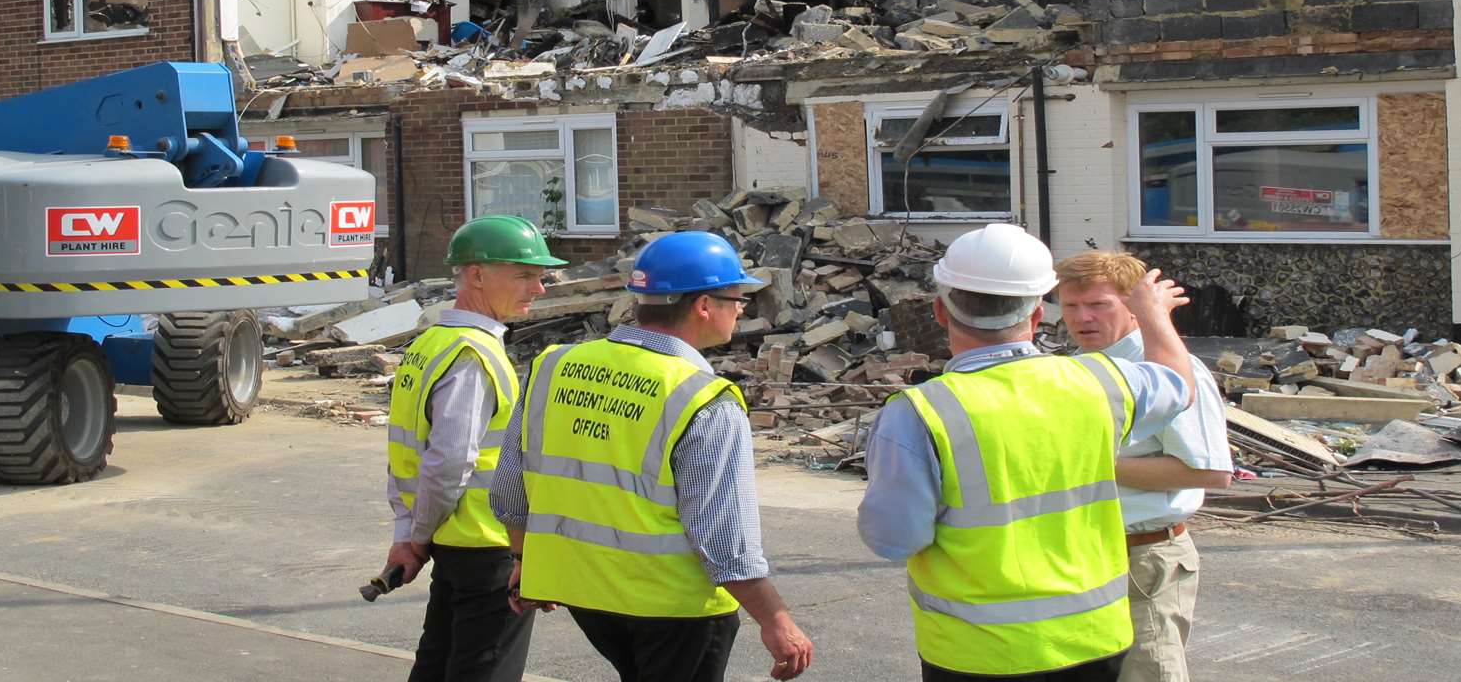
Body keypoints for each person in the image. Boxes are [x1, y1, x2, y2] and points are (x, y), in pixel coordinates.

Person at [857, 224, 1199, 682]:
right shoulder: (1102, 382)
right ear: (1039, 314)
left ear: (940, 311)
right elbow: (1179, 384)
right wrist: (1154, 314)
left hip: (976, 651)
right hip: (1095, 639)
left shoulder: (918, 413)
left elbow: (894, 538)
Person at [489, 230, 815, 682]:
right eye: (737, 297)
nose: (742, 309)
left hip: (585, 594)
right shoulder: (703, 399)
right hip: (675, 608)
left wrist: (524, 560)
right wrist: (777, 620)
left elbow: (509, 486)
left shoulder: (553, 366)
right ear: (704, 306)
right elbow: (723, 536)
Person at [385, 214, 567, 682]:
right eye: (525, 275)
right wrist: (416, 536)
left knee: (438, 663)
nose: (539, 288)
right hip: (489, 546)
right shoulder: (473, 355)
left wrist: (410, 533)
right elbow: (448, 461)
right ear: (477, 275)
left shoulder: (431, 343)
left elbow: (407, 451)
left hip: (454, 542)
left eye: (540, 277)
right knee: (482, 671)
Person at [1058, 251, 1230, 682]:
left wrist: (1086, 464)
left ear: (1135, 306)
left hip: (1143, 557)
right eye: (1071, 306)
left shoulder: (1163, 368)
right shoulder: (1083, 365)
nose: (1083, 318)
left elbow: (1210, 472)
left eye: (1099, 305)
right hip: (1083, 553)